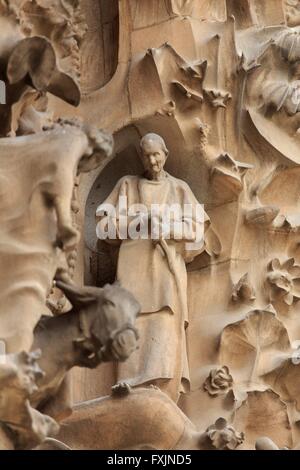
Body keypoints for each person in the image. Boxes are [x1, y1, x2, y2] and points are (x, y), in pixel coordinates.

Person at [96, 133, 210, 402]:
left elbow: (197, 233)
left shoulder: (179, 189)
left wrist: (166, 227)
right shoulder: (127, 185)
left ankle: (158, 386)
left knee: (163, 318)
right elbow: (104, 227)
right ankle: (128, 383)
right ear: (141, 157)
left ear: (166, 154)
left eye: (157, 154)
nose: (152, 160)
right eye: (147, 155)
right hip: (132, 270)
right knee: (131, 320)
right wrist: (139, 221)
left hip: (165, 270)